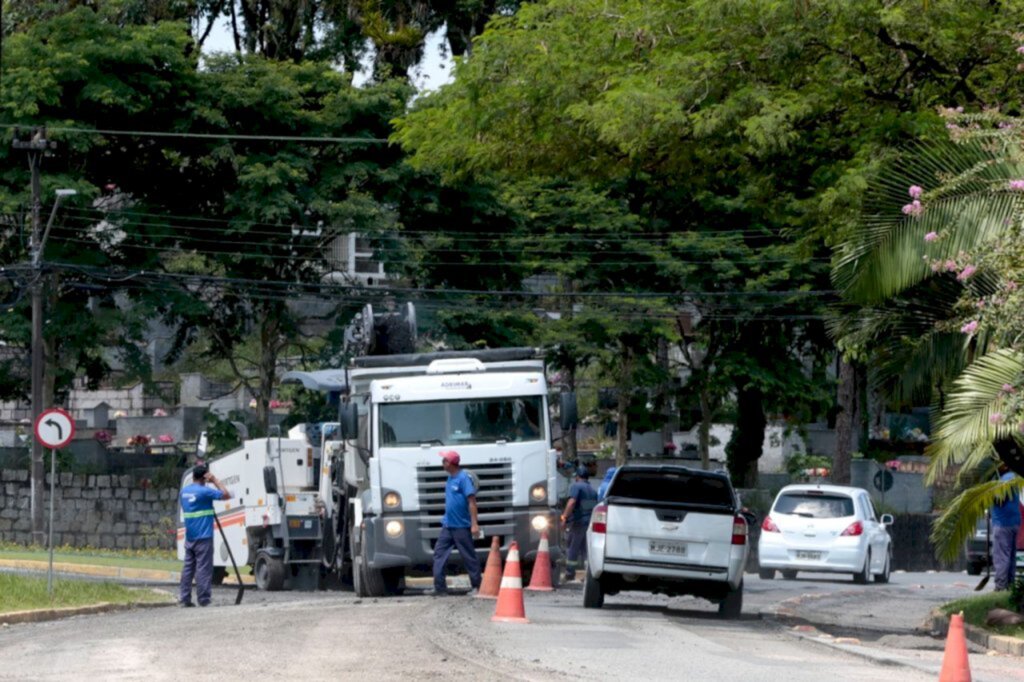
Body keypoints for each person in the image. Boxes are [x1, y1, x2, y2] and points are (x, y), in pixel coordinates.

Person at [179, 463, 231, 607]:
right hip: (204, 536)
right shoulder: (205, 492)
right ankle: (204, 599)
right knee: (203, 568)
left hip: (190, 536)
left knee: (188, 568)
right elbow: (226, 494)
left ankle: (184, 599)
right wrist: (214, 480)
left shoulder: (184, 492)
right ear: (204, 477)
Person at [431, 450, 482, 595]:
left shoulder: (463, 478)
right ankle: (440, 588)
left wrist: (474, 524)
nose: (442, 463)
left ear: (451, 463)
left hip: (461, 526)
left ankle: (477, 586)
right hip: (448, 525)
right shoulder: (450, 478)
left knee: (468, 556)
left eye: (444, 460)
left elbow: (472, 502)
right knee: (439, 553)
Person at [561, 466, 598, 581]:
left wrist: (564, 517)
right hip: (589, 522)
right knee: (585, 549)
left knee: (572, 546)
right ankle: (589, 573)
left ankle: (569, 573)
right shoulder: (592, 490)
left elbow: (572, 502)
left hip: (578, 522)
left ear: (577, 477)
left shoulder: (576, 486)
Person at [991, 463, 1021, 591]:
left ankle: (1000, 586)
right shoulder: (1014, 477)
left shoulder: (1006, 479)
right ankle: (1010, 585)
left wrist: (987, 495)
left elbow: (999, 499)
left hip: (1003, 523)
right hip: (1013, 522)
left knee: (1001, 556)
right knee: (1010, 556)